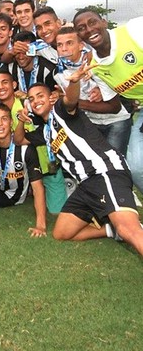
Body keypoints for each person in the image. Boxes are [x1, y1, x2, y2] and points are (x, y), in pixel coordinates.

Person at [15, 67, 143, 256]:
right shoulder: (45, 130)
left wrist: (74, 82)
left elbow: (71, 100)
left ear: (51, 97)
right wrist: (20, 120)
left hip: (103, 171)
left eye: (40, 95)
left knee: (128, 230)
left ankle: (124, 226)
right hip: (86, 183)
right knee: (61, 233)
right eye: (31, 99)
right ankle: (111, 230)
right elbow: (19, 140)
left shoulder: (60, 110)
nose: (36, 101)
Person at [72, 9, 143, 194]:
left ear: (104, 22)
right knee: (135, 168)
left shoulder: (134, 30)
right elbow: (113, 105)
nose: (89, 29)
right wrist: (72, 102)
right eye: (81, 28)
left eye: (93, 22)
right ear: (79, 36)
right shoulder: (95, 68)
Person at [0, 67, 67, 214]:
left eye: (5, 82)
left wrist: (55, 97)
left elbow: (50, 119)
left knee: (56, 211)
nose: (0, 87)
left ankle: (69, 184)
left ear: (14, 85)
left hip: (46, 164)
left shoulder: (28, 104)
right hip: (19, 167)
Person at [54, 26, 132, 156]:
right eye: (59, 45)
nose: (64, 49)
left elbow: (114, 107)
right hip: (91, 123)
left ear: (81, 45)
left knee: (117, 164)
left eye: (69, 43)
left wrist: (73, 102)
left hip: (116, 121)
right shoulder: (60, 73)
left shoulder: (95, 63)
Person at [0, 104, 47, 236]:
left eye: (4, 119)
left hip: (12, 194)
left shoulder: (26, 148)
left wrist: (40, 225)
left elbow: (38, 187)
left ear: (11, 122)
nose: (0, 124)